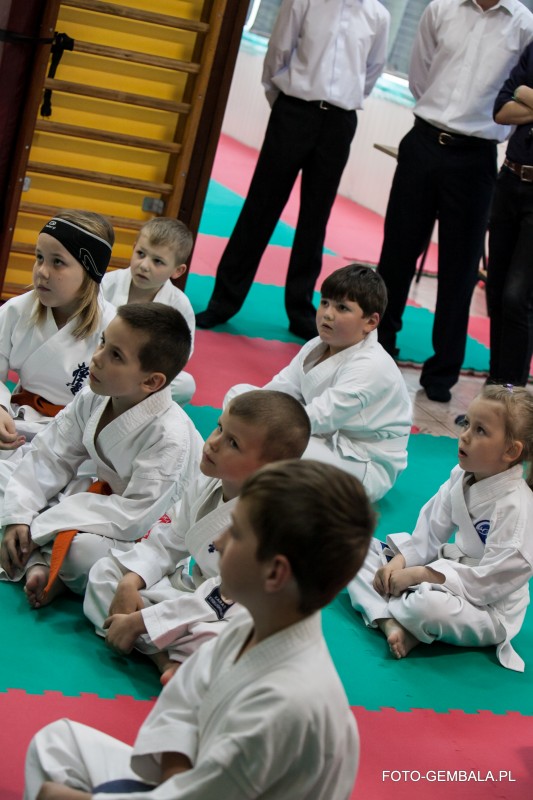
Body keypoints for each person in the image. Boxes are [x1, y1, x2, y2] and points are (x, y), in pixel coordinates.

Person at [24, 459, 374, 800]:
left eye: (235, 533)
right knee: (55, 745)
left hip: (198, 789)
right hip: (191, 777)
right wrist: (176, 772)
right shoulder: (259, 624)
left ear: (274, 573)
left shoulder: (285, 705)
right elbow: (184, 698)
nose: (218, 542)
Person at [195, 0, 390, 341]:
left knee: (316, 218)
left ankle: (301, 309)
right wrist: (285, 103)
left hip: (339, 121)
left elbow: (371, 72)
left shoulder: (378, 16)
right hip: (294, 111)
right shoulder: (303, 2)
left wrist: (338, 103)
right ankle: (223, 301)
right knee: (260, 208)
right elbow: (278, 53)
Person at [84, 390, 311, 677]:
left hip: (237, 611)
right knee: (105, 573)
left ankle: (153, 651)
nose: (213, 443)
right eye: (219, 427)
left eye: (233, 443)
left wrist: (143, 621)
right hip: (194, 593)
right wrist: (131, 581)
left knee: (221, 642)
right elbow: (168, 542)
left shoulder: (270, 522)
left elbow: (224, 596)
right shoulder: (207, 480)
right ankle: (166, 659)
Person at [376, 0, 533, 403]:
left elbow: (515, 96)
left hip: (475, 156)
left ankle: (442, 370)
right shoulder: (440, 9)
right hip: (424, 140)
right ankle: (378, 350)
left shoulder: (523, 25)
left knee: (460, 269)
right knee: (396, 254)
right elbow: (420, 76)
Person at [0, 303, 203, 605]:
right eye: (103, 342)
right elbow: (51, 455)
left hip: (148, 527)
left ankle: (41, 560)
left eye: (116, 355)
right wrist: (20, 515)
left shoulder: (169, 437)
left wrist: (39, 525)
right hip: (97, 500)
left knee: (82, 555)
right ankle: (40, 559)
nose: (97, 357)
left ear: (151, 381)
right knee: (9, 486)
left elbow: (133, 518)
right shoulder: (94, 395)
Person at [348, 384, 533, 672]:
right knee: (353, 550)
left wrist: (421, 575)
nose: (465, 435)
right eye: (467, 423)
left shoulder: (517, 507)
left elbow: (489, 583)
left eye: (480, 430)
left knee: (427, 607)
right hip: (445, 573)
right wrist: (399, 563)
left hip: (487, 609)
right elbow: (430, 534)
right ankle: (392, 622)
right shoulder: (461, 476)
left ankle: (398, 613)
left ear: (511, 450)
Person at [225, 264, 412, 502]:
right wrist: (251, 413)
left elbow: (321, 416)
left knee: (286, 450)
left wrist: (255, 427)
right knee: (239, 396)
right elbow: (279, 390)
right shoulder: (316, 345)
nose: (327, 314)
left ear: (370, 322)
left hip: (363, 462)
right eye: (325, 302)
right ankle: (248, 453)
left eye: (342, 308)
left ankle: (245, 455)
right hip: (323, 436)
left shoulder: (372, 365)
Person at [0, 210, 116, 450]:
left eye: (57, 262)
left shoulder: (113, 327)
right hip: (18, 419)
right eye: (39, 257)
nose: (42, 271)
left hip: (79, 436)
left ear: (90, 271)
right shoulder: (17, 310)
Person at [102, 217, 196, 404]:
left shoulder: (179, 305)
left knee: (185, 385)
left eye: (158, 261)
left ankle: (138, 410)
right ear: (133, 248)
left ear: (177, 270)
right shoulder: (106, 284)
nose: (144, 265)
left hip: (142, 373)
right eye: (141, 253)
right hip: (102, 360)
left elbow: (180, 355)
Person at [486, 44, 533, 386]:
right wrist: (518, 92)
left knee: (517, 297)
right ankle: (494, 391)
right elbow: (502, 109)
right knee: (497, 290)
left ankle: (511, 399)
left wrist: (525, 93)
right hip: (510, 179)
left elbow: (518, 93)